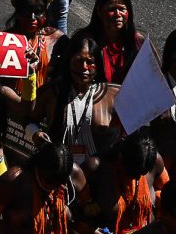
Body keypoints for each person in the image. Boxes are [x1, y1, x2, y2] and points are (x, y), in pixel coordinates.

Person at [31, 32, 119, 166]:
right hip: (59, 169)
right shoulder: (53, 92)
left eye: (90, 62)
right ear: (68, 61)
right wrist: (34, 133)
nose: (84, 67)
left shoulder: (112, 94)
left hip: (98, 174)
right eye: (78, 61)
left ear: (98, 66)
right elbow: (28, 118)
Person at [73, 0, 144, 85]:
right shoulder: (84, 41)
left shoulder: (137, 41)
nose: (118, 14)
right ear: (99, 11)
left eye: (122, 9)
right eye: (112, 9)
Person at [7, 0, 63, 88]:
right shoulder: (6, 39)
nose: (32, 17)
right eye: (27, 12)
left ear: (46, 15)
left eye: (38, 12)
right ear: (18, 14)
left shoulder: (57, 39)